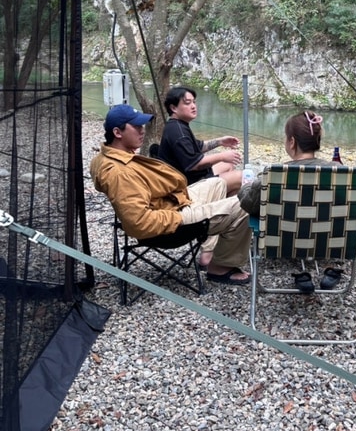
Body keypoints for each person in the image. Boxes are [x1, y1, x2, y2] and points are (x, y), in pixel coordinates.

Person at [90, 104, 251, 285]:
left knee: (226, 181)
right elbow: (139, 223)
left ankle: (214, 247)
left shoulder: (112, 156)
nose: (142, 131)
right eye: (136, 127)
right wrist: (179, 216)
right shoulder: (119, 173)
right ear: (118, 133)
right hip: (173, 224)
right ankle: (220, 267)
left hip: (172, 203)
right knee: (245, 204)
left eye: (142, 126)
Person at [238, 110, 342, 293]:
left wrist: (248, 186)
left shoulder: (274, 174)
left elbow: (248, 204)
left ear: (292, 141)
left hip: (282, 242)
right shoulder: (341, 173)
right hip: (328, 242)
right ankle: (331, 266)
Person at [158, 85, 242, 195]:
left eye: (194, 102)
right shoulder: (177, 132)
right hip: (187, 187)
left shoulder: (178, 125)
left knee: (228, 166)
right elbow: (194, 165)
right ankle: (212, 206)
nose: (193, 106)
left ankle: (217, 202)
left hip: (193, 178)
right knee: (240, 177)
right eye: (188, 103)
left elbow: (198, 146)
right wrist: (222, 156)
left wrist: (220, 141)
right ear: (173, 108)